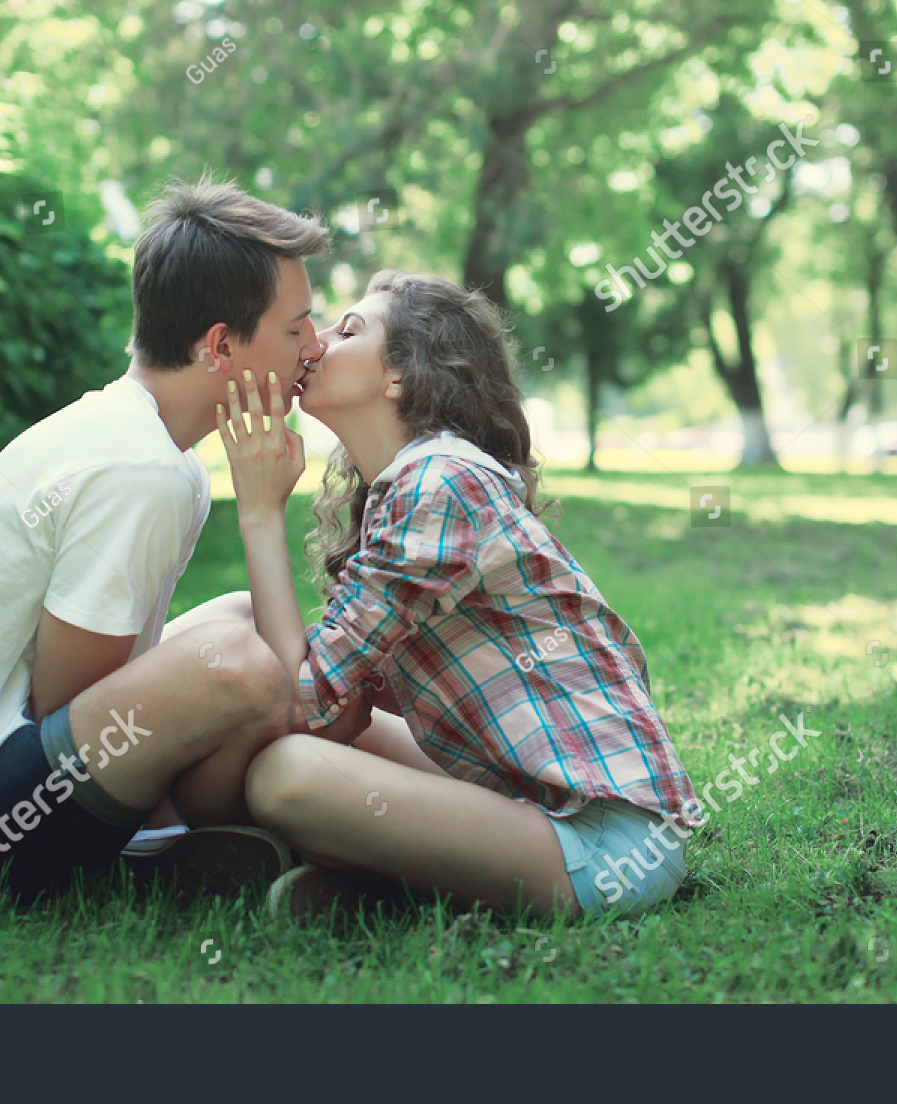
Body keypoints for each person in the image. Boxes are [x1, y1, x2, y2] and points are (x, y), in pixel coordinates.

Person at [0, 176, 375, 901]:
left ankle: (230, 832)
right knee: (241, 664)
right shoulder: (139, 470)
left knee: (236, 622)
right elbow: (65, 711)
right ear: (221, 346)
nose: (315, 346)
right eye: (296, 328)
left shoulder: (147, 442)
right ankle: (194, 848)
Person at [217, 271, 705, 917]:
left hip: (608, 843)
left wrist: (258, 510)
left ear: (401, 376)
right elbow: (334, 712)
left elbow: (307, 706)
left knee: (288, 774)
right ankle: (372, 874)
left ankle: (374, 879)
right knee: (241, 635)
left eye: (348, 329)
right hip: (521, 803)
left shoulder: (438, 485)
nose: (314, 342)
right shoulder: (406, 487)